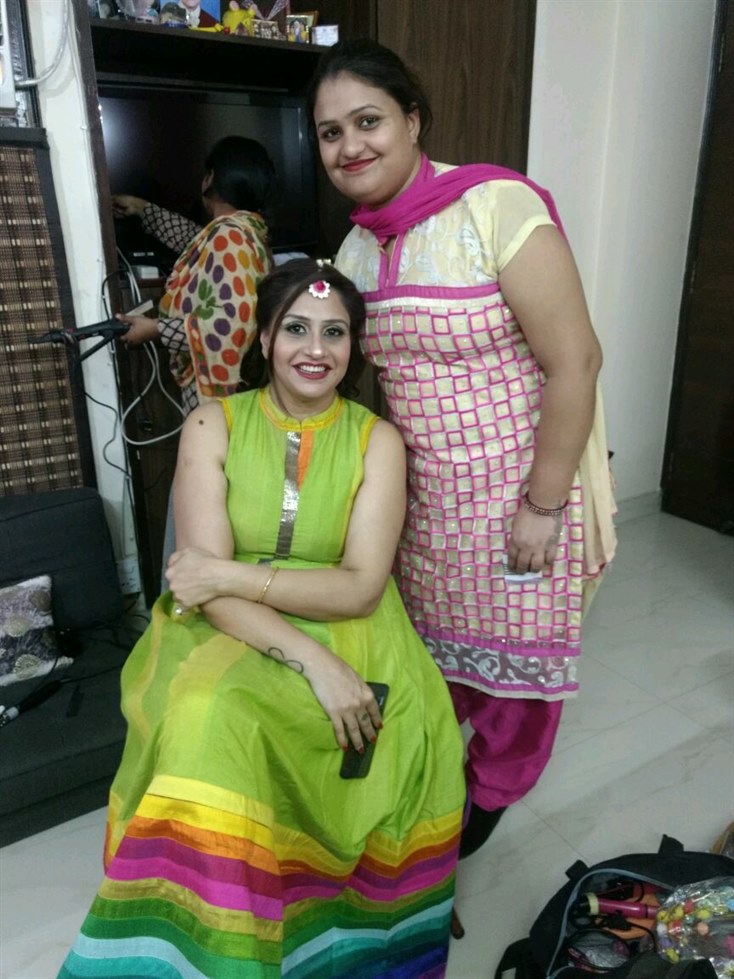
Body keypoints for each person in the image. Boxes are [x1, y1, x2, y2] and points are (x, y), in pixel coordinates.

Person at [58, 259, 465, 979]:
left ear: (354, 346)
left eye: (335, 333)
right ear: (266, 339)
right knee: (208, 714)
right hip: (227, 622)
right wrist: (315, 662)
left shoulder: (376, 440)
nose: (316, 349)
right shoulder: (212, 422)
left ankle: (334, 942)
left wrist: (229, 573)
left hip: (348, 619)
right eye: (296, 329)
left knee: (396, 732)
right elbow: (203, 589)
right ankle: (212, 949)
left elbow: (360, 588)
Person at [308, 39, 618, 860]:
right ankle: (431, 787)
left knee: (516, 681)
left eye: (368, 121)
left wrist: (543, 505)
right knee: (433, 663)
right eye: (331, 133)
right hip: (427, 507)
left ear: (412, 121)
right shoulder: (356, 251)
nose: (350, 146)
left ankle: (484, 805)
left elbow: (576, 361)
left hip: (522, 492)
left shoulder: (495, 207)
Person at [112, 135, 276, 414]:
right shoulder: (243, 231)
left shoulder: (230, 237)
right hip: (236, 389)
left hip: (220, 396)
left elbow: (231, 324)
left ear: (210, 178)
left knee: (208, 443)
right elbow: (195, 240)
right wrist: (141, 208)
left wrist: (156, 329)